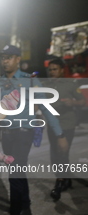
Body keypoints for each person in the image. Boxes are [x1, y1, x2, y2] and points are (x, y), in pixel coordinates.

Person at [0, 45, 69, 215]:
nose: (5, 61)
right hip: (6, 134)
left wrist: (59, 134)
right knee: (17, 171)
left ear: (18, 59)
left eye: (9, 57)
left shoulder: (30, 81)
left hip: (24, 133)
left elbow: (46, 107)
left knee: (15, 173)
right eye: (3, 57)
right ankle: (25, 205)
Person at [44, 58, 85, 200]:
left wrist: (72, 102)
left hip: (67, 123)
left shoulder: (71, 84)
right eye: (50, 69)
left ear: (62, 70)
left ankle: (60, 182)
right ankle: (66, 178)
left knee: (61, 152)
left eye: (55, 69)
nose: (52, 72)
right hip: (52, 124)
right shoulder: (45, 84)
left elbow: (83, 101)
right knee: (56, 152)